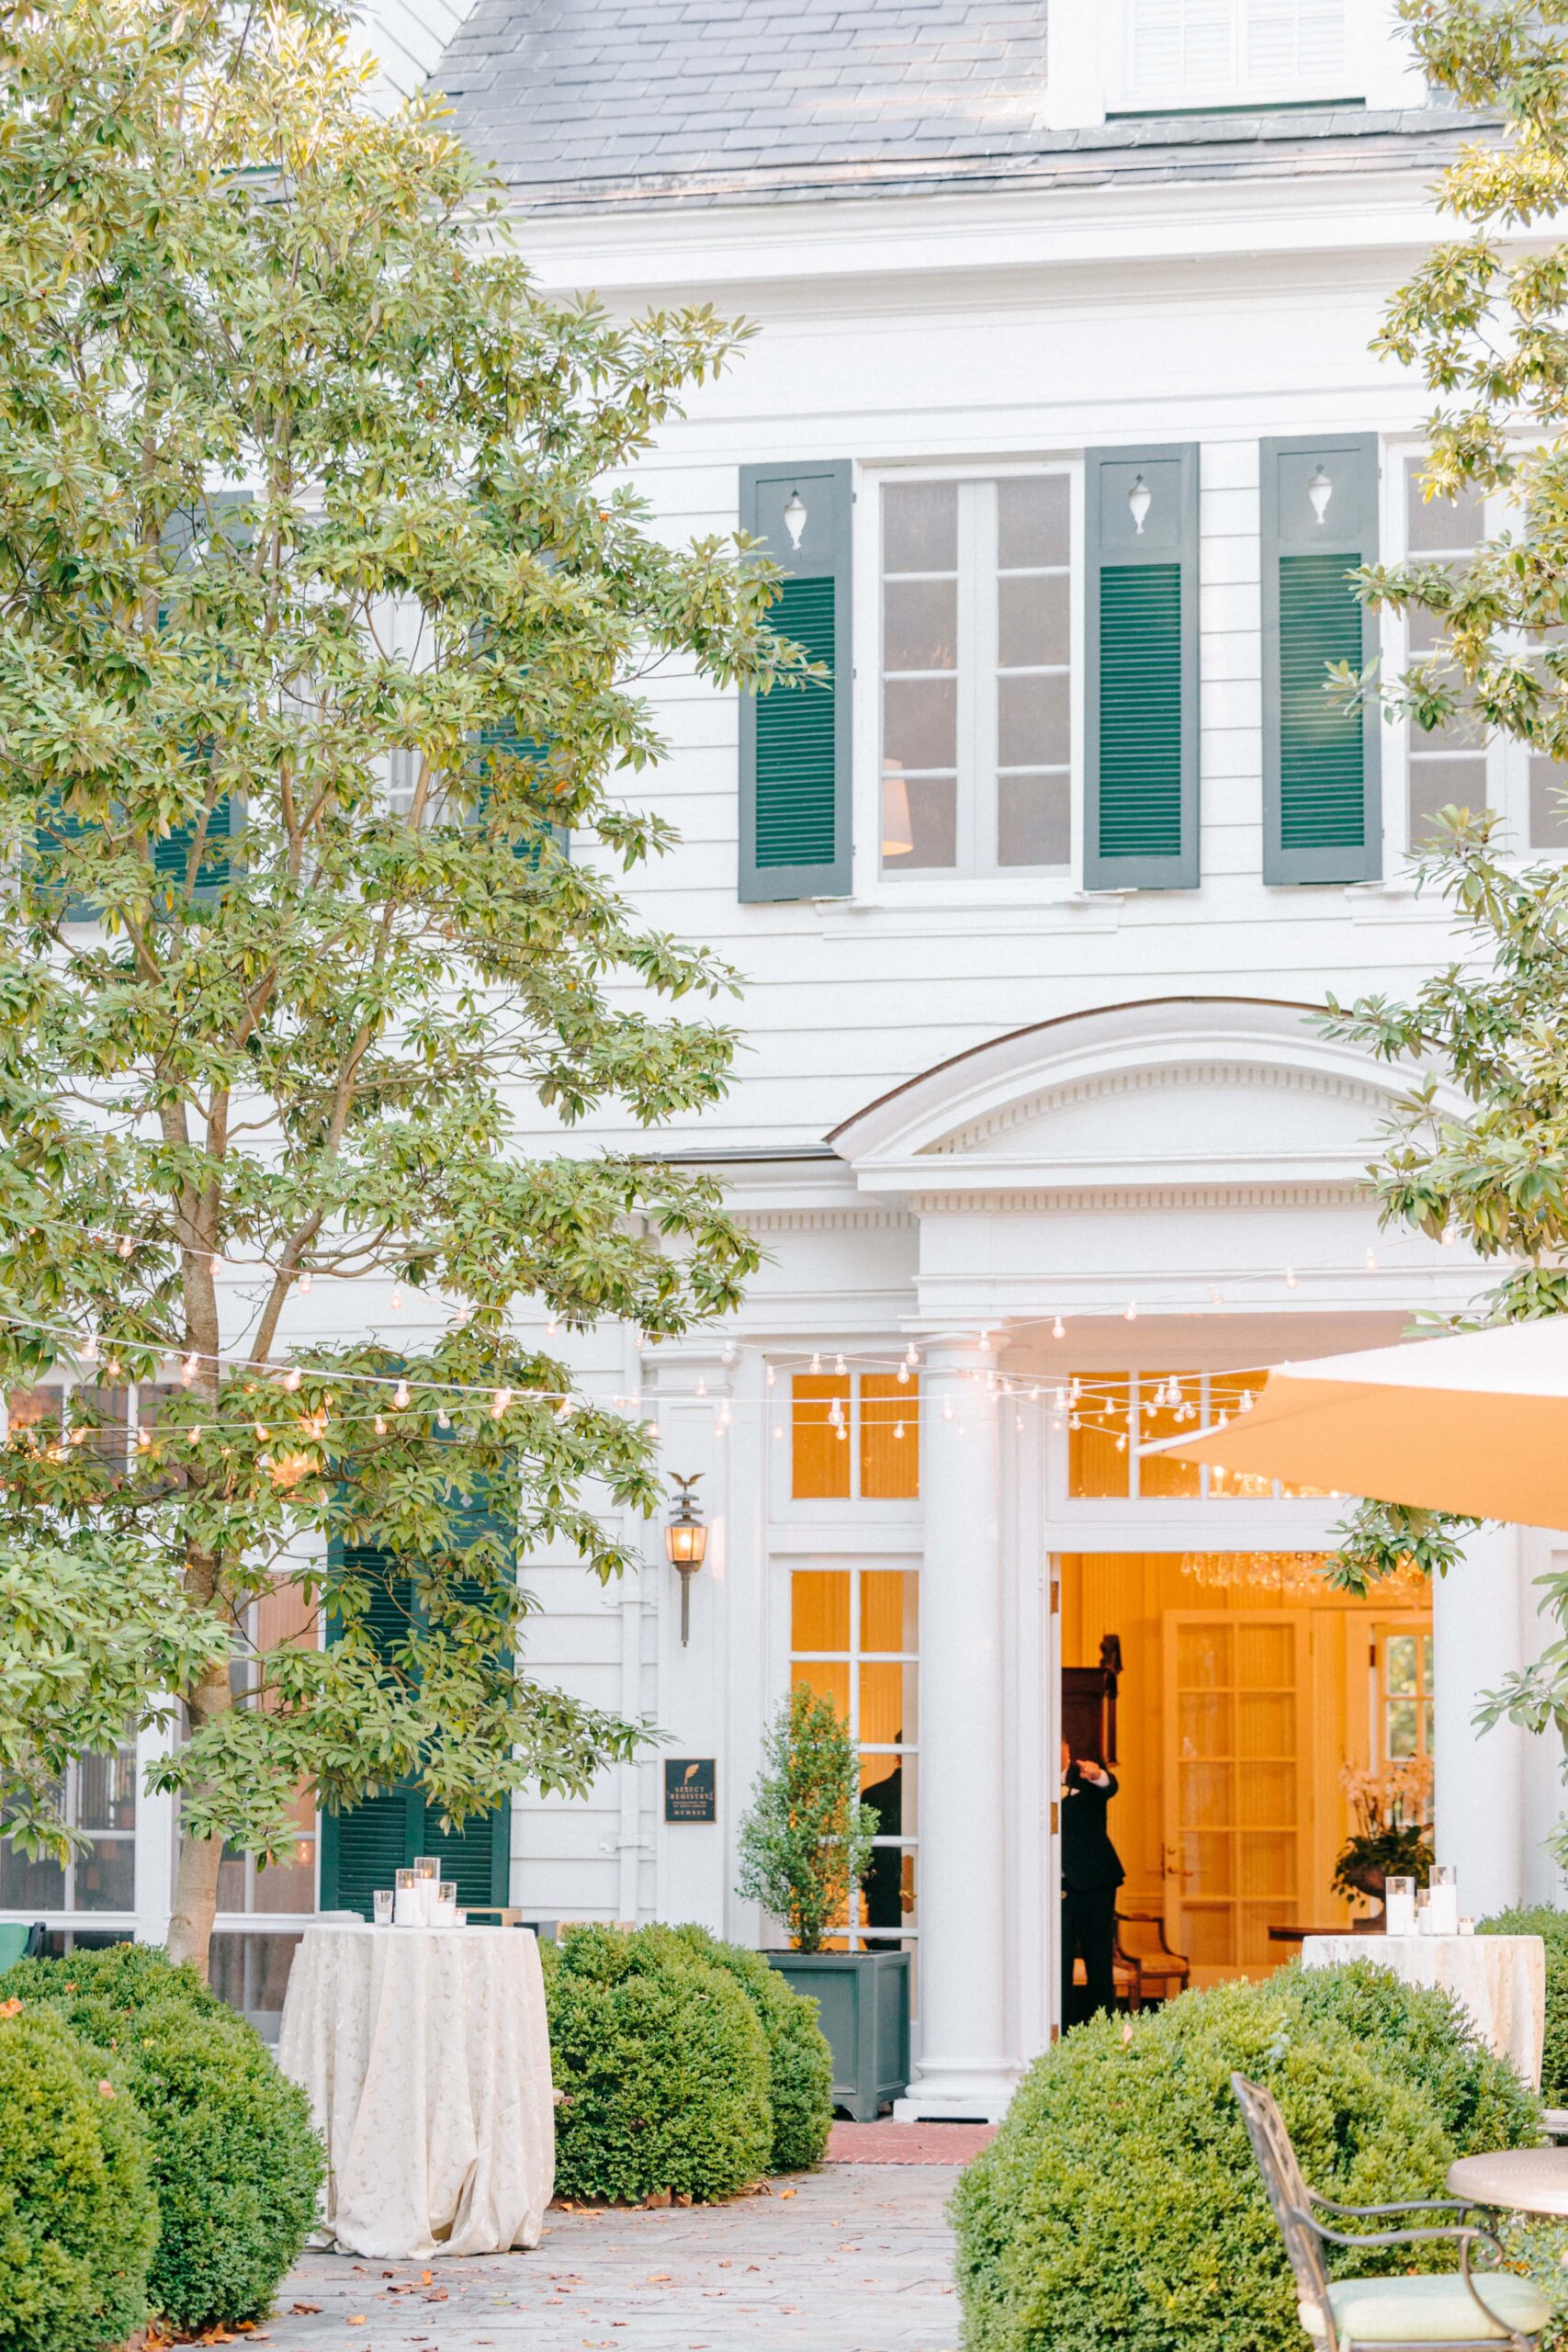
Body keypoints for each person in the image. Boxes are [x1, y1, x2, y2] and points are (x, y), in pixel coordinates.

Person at [1060, 1738, 1124, 2030]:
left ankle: (1104, 2031)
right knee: (1059, 1962)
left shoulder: (1085, 1776)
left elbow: (1110, 1786)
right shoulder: (1031, 1780)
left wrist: (1098, 1775)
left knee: (1098, 1958)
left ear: (1068, 1750)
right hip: (1058, 1890)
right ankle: (1063, 2030)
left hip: (1096, 1885)